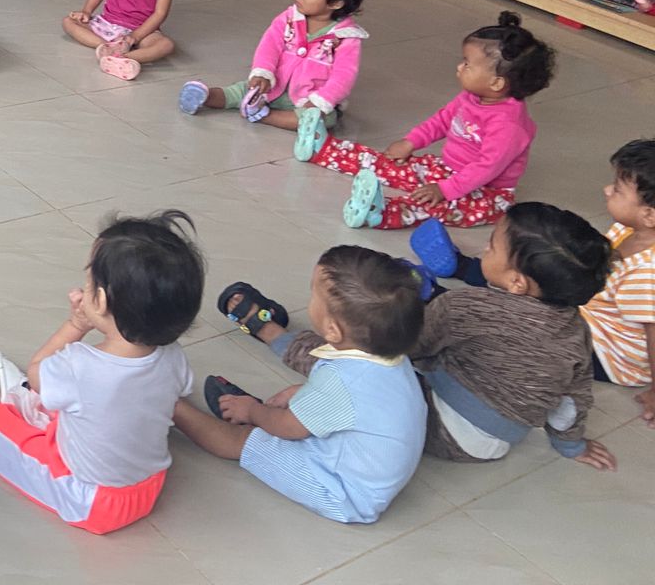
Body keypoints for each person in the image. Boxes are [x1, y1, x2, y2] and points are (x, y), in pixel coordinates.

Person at [0, 212, 204, 535]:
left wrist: (76, 325)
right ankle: (23, 400)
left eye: (89, 281)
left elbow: (38, 370)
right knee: (88, 405)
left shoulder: (79, 364)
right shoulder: (173, 356)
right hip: (148, 486)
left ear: (101, 301)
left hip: (89, 500)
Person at [175, 248, 426, 525]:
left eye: (313, 294)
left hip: (344, 492)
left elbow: (289, 428)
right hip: (375, 472)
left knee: (243, 439)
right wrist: (302, 393)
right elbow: (364, 400)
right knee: (289, 416)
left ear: (333, 330)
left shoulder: (340, 380)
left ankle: (169, 406)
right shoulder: (391, 355)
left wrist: (253, 411)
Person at [405, 204, 616, 468]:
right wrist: (571, 445)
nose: (485, 249)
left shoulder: (466, 305)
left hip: (440, 425)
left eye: (492, 246)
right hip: (494, 444)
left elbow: (412, 345)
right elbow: (572, 399)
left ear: (517, 282)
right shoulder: (577, 331)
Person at [299, 11, 554, 229]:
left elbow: (485, 169)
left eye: (467, 64)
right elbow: (442, 121)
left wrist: (444, 190)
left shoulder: (509, 125)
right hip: (446, 169)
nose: (459, 68)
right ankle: (322, 149)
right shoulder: (472, 96)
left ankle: (379, 213)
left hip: (485, 192)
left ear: (497, 83)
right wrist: (410, 142)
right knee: (392, 163)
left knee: (434, 205)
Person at [179, 0, 371, 132]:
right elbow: (269, 45)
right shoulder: (289, 18)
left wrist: (322, 101)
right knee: (240, 91)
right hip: (272, 85)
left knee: (319, 119)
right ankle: (206, 96)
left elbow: (344, 76)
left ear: (335, 2)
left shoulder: (346, 37)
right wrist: (263, 72)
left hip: (308, 98)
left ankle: (264, 116)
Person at [580, 139, 655, 426]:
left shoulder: (647, 273)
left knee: (532, 324)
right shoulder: (629, 229)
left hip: (612, 355)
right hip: (598, 318)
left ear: (649, 215)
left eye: (617, 189)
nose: (606, 190)